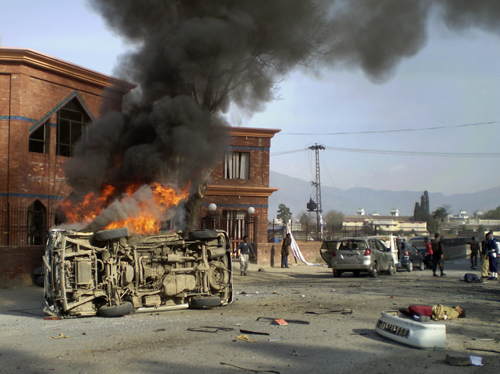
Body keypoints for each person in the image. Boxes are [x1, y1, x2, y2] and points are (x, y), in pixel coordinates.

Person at [399, 304, 466, 321]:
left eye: (459, 307)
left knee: (412, 307)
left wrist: (444, 317)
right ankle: (409, 313)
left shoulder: (455, 313)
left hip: (433, 310)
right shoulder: (453, 310)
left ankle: (419, 315)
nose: (458, 306)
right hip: (433, 311)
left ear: (460, 311)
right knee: (412, 312)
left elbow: (450, 317)